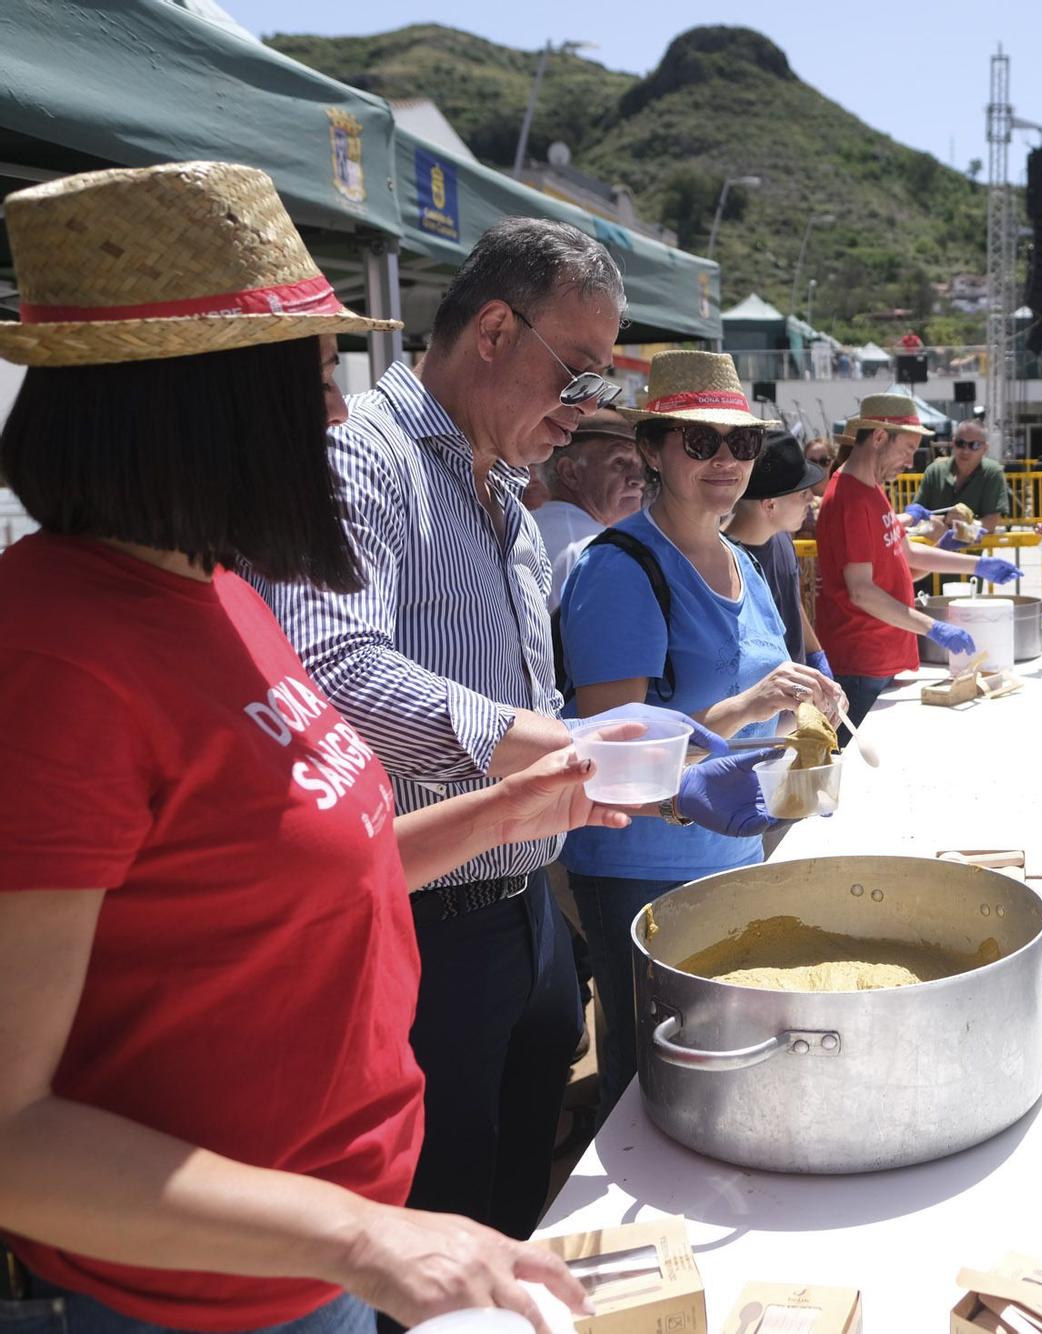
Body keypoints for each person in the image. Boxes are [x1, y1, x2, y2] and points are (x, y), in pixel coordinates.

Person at [0, 161, 618, 1334]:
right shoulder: (54, 654)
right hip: (203, 1298)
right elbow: (11, 1132)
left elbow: (304, 878)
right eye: (307, 377)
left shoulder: (218, 593)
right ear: (195, 404)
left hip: (313, 1266)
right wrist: (362, 1232)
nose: (337, 412)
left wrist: (509, 809)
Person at [249, 217, 709, 1243]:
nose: (585, 409)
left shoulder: (499, 488)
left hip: (523, 914)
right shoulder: (358, 460)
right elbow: (332, 671)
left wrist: (636, 741)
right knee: (438, 1228)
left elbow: (514, 705)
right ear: (495, 329)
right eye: (578, 371)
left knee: (511, 1209)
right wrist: (555, 747)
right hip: (423, 924)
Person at [557, 352, 836, 1110]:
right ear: (652, 449)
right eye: (700, 442)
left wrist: (809, 707)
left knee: (722, 1067)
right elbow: (614, 746)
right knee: (656, 1076)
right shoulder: (620, 568)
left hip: (733, 850)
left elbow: (771, 701)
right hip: (642, 863)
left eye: (740, 445)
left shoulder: (745, 562)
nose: (726, 461)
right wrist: (750, 706)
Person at [815, 393, 1024, 725]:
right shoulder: (848, 498)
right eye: (908, 449)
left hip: (883, 655)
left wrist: (977, 564)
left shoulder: (871, 488)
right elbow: (861, 591)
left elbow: (907, 552)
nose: (911, 462)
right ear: (880, 437)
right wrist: (933, 627)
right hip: (860, 661)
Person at [726, 432, 833, 676]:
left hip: (794, 695)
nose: (811, 498)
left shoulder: (782, 536)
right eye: (802, 493)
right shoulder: (721, 562)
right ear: (770, 505)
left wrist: (816, 655)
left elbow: (791, 599)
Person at [529, 409, 646, 611]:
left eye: (639, 466)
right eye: (619, 462)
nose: (638, 480)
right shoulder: (593, 550)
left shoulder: (521, 525)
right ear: (570, 473)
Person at [914, 420, 1011, 532]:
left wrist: (967, 524)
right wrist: (945, 519)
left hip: (972, 547)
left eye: (974, 445)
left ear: (985, 448)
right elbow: (916, 514)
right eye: (960, 443)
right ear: (953, 443)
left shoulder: (992, 473)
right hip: (932, 547)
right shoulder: (934, 471)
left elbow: (991, 521)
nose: (965, 451)